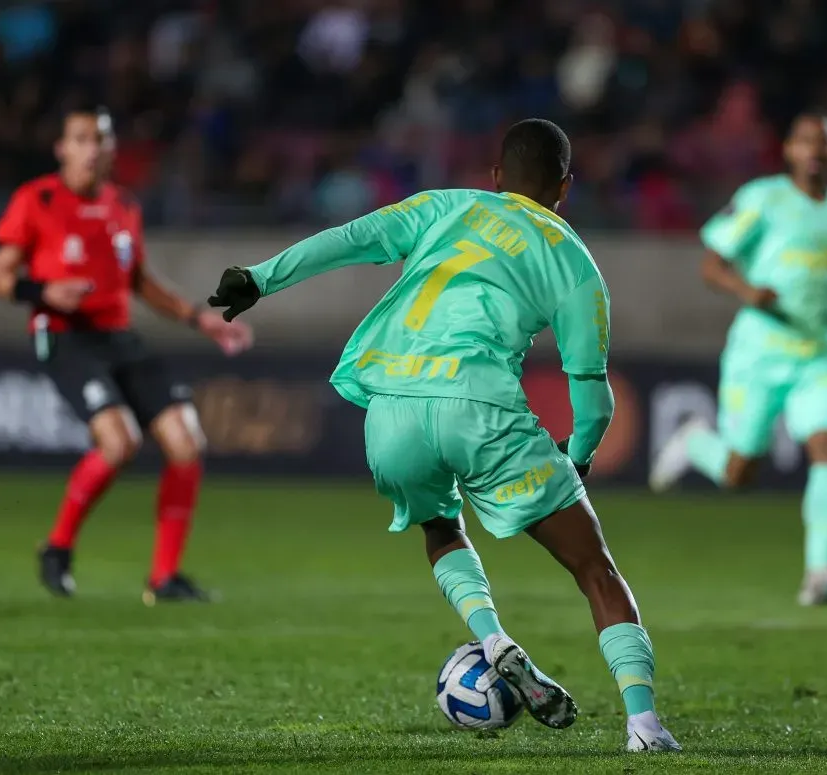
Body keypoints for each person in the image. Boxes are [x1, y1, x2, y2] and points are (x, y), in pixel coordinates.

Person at [207, 119, 681, 753]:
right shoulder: (574, 261)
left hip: (392, 406)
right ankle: (644, 728)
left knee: (438, 524)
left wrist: (261, 277)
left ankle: (491, 638)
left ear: (495, 178)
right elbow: (591, 397)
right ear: (565, 186)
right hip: (479, 408)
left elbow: (353, 238)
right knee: (593, 568)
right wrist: (579, 458)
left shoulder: (446, 205)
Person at [0, 105, 254, 604]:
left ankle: (164, 579)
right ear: (62, 149)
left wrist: (200, 319)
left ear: (111, 150)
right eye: (82, 139)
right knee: (119, 442)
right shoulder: (36, 198)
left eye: (100, 140)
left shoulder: (123, 206)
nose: (92, 149)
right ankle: (58, 547)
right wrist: (43, 290)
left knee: (186, 442)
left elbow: (140, 282)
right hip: (65, 335)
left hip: (117, 336)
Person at [649, 114, 827, 606]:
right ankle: (695, 441)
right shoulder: (763, 198)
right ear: (789, 149)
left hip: (823, 350)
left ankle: (821, 571)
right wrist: (746, 290)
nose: (817, 152)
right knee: (739, 474)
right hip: (760, 352)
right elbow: (711, 263)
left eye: (826, 144)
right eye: (807, 142)